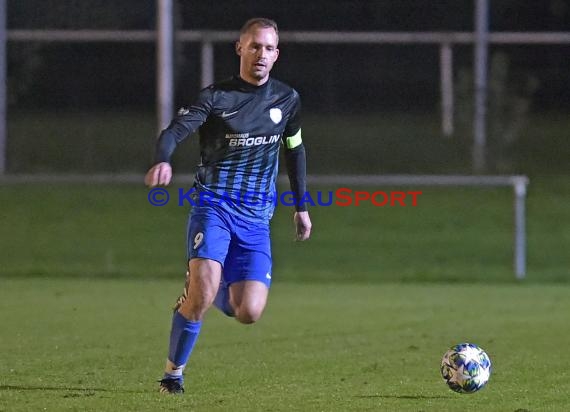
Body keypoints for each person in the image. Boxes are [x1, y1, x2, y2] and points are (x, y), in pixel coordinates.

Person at [144, 17, 312, 394]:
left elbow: (295, 151)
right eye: (254, 46)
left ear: (277, 54)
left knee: (248, 312)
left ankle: (207, 285)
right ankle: (173, 375)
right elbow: (175, 131)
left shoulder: (287, 100)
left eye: (269, 48)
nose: (261, 55)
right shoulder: (216, 98)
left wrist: (301, 206)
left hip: (256, 219)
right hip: (213, 207)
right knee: (200, 296)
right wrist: (163, 158)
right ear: (240, 48)